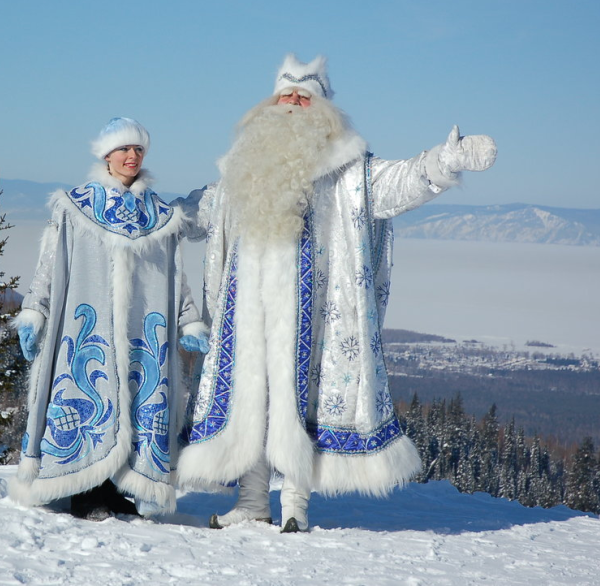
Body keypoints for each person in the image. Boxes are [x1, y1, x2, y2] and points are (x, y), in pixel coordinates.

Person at [176, 54, 497, 532]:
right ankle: (251, 500)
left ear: (322, 107)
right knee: (253, 395)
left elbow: (397, 183)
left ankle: (296, 505)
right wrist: (137, 206)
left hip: (318, 313)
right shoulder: (243, 166)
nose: (292, 104)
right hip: (250, 309)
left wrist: (444, 161)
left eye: (303, 97)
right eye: (285, 96)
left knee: (304, 399)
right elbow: (197, 211)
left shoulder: (349, 168)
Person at [10, 117, 209, 520]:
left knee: (136, 403)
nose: (131, 157)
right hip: (89, 326)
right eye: (123, 150)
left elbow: (176, 276)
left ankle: (120, 488)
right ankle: (86, 491)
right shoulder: (75, 207)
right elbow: (49, 265)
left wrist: (189, 321)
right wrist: (35, 310)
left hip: (142, 328)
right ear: (106, 155)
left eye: (138, 150)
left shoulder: (159, 214)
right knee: (89, 397)